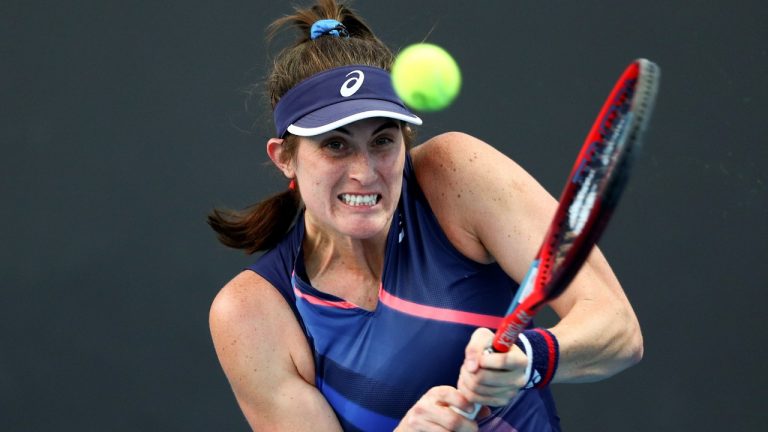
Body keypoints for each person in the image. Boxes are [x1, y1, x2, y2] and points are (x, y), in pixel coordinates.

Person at [207, 0, 643, 430]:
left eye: (383, 140)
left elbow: (617, 328)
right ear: (285, 156)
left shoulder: (455, 175)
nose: (364, 173)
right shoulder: (252, 314)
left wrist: (530, 359)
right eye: (335, 145)